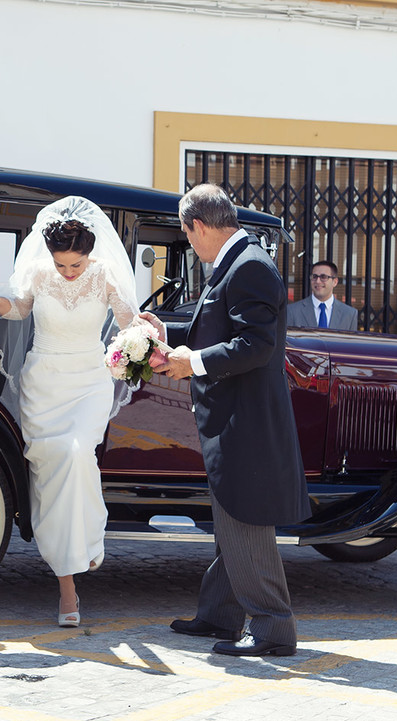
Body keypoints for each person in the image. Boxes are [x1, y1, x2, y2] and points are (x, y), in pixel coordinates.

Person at [139, 184, 311, 657]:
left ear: (197, 226)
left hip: (246, 422)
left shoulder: (250, 265)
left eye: (187, 235)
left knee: (245, 520)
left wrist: (189, 362)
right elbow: (216, 325)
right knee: (229, 519)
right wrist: (166, 332)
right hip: (235, 417)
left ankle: (274, 627)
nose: (190, 245)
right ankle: (221, 615)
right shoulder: (238, 262)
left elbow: (256, 346)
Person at [0, 196, 138, 628]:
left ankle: (79, 562)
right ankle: (68, 575)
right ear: (49, 255)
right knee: (53, 470)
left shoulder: (106, 276)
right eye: (62, 265)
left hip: (89, 381)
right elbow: (19, 310)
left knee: (77, 454)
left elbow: (129, 322)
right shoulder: (38, 272)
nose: (69, 272)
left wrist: (145, 332)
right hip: (45, 381)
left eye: (76, 264)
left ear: (89, 254)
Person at [286, 260, 358, 330]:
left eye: (323, 277)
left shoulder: (349, 314)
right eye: (314, 277)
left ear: (335, 282)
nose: (318, 281)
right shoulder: (293, 311)